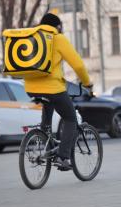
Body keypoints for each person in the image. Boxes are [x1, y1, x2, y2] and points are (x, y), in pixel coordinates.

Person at [24, 13, 91, 171]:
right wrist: (87, 82)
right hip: (53, 88)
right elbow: (78, 66)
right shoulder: (57, 38)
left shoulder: (32, 37)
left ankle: (45, 139)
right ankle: (63, 157)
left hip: (30, 88)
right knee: (70, 119)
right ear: (58, 26)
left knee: (48, 109)